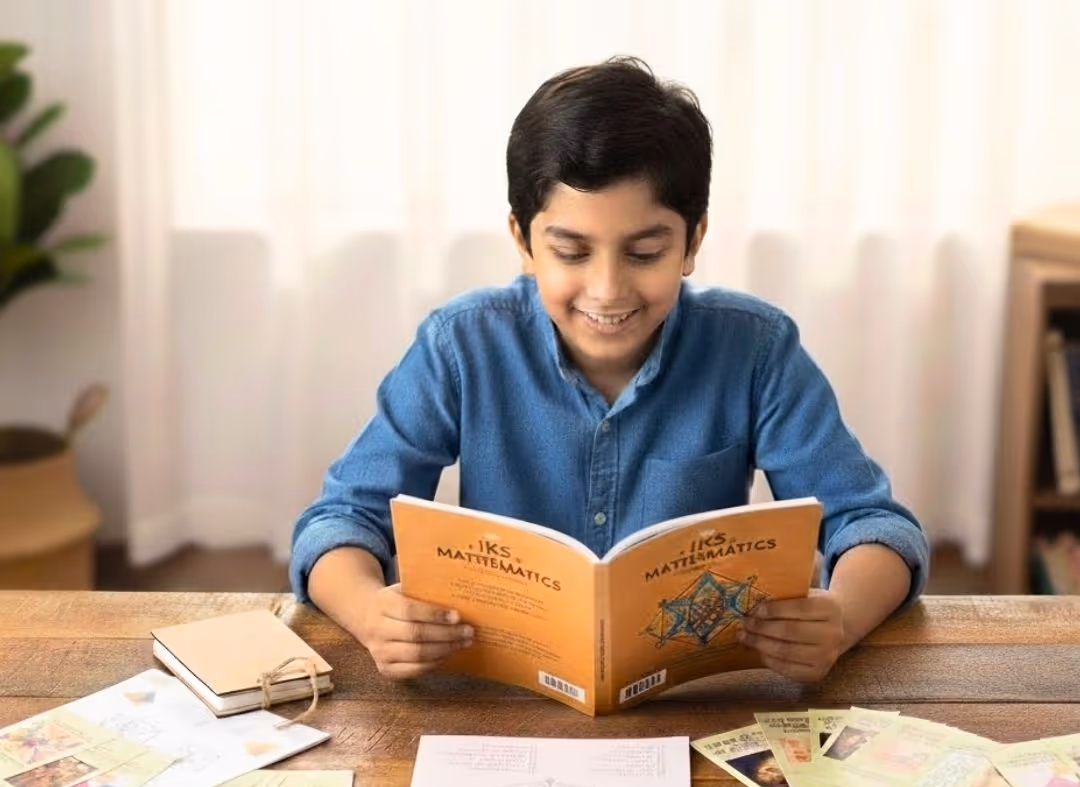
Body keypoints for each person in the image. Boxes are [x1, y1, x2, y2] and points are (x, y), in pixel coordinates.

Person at [290, 57, 929, 685]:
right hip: (499, 693)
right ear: (523, 241)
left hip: (699, 699)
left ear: (693, 241)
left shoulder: (755, 349)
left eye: (645, 252)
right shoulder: (461, 345)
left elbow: (875, 526)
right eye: (570, 251)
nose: (606, 289)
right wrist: (371, 613)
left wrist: (840, 618)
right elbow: (341, 519)